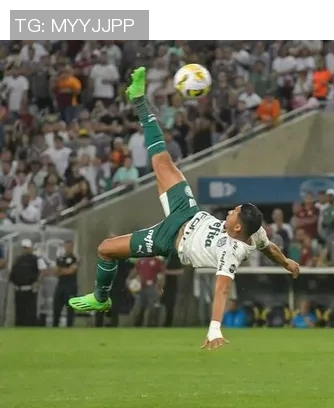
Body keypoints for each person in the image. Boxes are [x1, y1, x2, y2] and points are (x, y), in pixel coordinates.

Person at [68, 67, 300, 348]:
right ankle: (138, 98)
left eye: (233, 213)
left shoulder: (232, 252)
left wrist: (214, 329)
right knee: (161, 159)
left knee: (106, 248)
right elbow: (269, 247)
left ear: (238, 226)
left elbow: (222, 289)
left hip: (170, 238)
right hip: (188, 212)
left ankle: (100, 298)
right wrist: (286, 263)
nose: (229, 212)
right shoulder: (256, 232)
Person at [52, 240, 78, 328]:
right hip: (60, 285)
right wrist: (64, 270)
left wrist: (61, 270)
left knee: (70, 308)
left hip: (71, 286)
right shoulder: (60, 258)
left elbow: (71, 271)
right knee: (57, 307)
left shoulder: (75, 258)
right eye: (66, 247)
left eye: (70, 247)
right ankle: (55, 326)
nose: (68, 248)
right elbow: (55, 272)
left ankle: (69, 327)